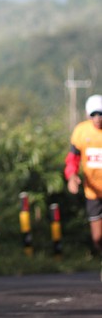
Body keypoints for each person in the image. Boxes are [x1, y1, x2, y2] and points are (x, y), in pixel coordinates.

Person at [65, 94, 102, 269]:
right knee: (97, 238)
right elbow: (72, 159)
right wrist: (72, 176)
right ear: (88, 115)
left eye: (101, 114)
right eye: (94, 114)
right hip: (92, 192)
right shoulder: (81, 132)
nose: (98, 118)